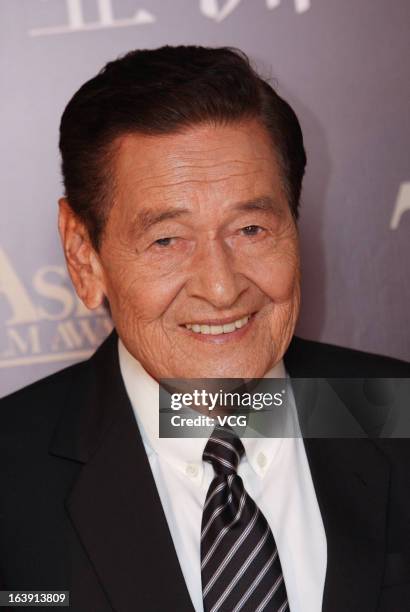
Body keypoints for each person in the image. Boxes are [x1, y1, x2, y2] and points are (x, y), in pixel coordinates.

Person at [0, 46, 409, 612]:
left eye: (250, 229)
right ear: (83, 255)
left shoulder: (396, 414)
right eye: (167, 240)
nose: (220, 289)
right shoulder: (10, 476)